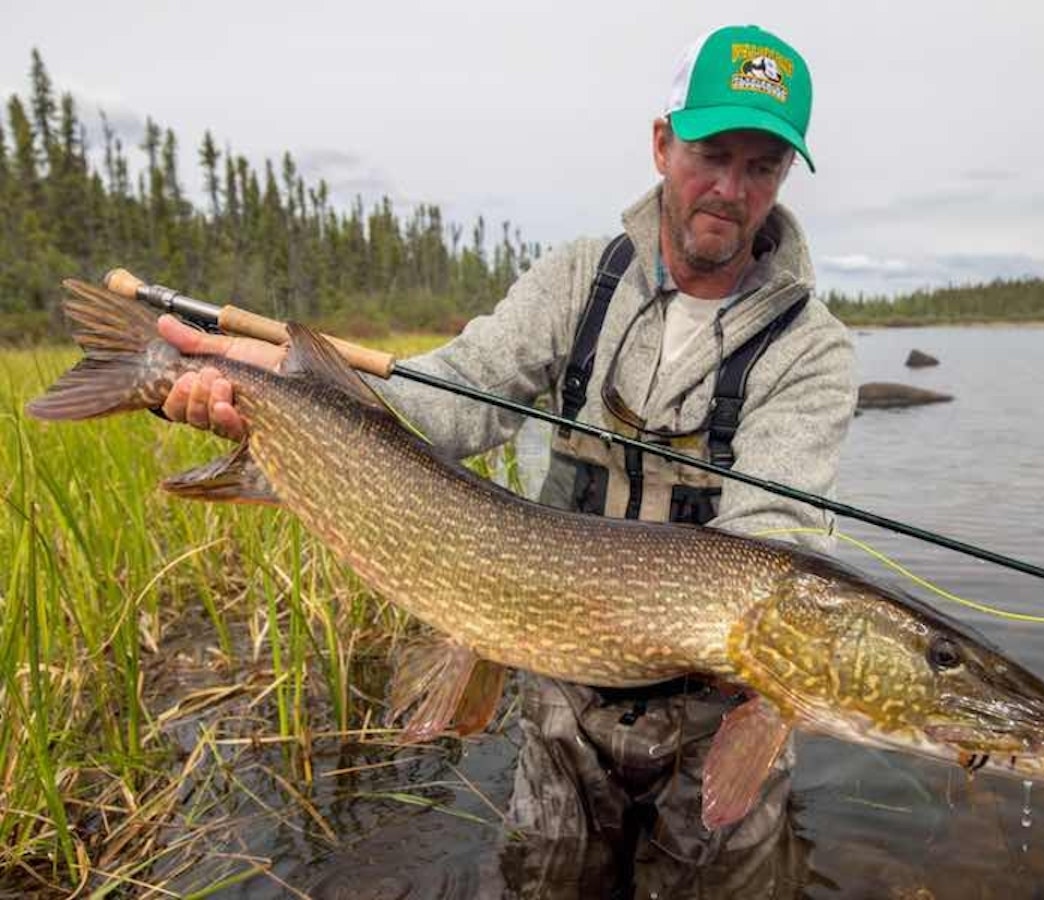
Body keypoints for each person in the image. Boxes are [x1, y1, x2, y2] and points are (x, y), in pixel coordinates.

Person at [158, 23, 855, 899]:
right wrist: (275, 393)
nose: (730, 188)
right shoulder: (577, 281)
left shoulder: (813, 349)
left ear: (784, 177)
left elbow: (775, 536)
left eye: (762, 166)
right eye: (712, 152)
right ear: (662, 143)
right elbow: (453, 396)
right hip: (560, 672)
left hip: (716, 699)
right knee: (544, 882)